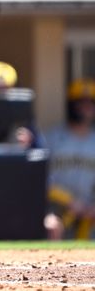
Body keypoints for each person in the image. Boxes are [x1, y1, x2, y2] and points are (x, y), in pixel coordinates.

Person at [46, 78, 95, 240]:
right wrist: (69, 201)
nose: (87, 108)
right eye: (81, 103)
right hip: (59, 208)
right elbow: (40, 178)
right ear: (71, 105)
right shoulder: (53, 138)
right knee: (51, 226)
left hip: (90, 212)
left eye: (91, 103)